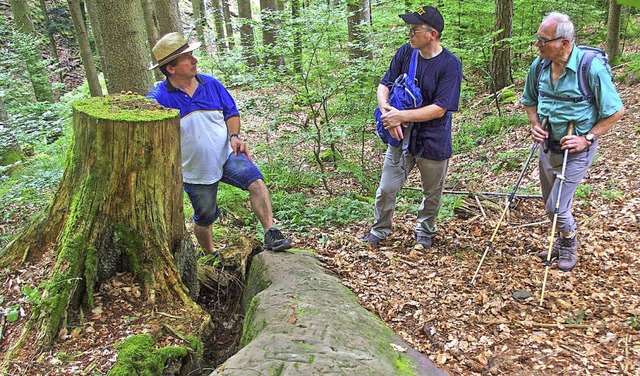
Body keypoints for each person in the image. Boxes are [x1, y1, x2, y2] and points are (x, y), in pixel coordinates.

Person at [147, 32, 292, 255]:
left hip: (227, 155)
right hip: (194, 170)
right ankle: (210, 254)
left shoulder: (211, 85)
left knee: (256, 182)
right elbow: (140, 114)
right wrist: (128, 102)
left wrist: (234, 136)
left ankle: (271, 232)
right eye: (187, 58)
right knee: (205, 217)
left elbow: (231, 113)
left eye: (192, 55)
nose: (194, 60)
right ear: (171, 68)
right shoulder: (159, 98)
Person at [521, 12, 624, 271]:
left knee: (556, 205)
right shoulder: (540, 66)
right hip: (547, 147)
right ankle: (560, 238)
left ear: (564, 43)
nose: (538, 45)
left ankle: (568, 242)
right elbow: (529, 100)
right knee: (550, 205)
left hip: (576, 150)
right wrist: (534, 124)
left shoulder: (591, 68)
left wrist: (587, 138)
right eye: (538, 39)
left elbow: (616, 111)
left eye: (544, 41)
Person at [363, 6, 462, 249]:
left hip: (433, 138)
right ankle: (380, 229)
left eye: (414, 30)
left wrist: (401, 116)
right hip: (400, 136)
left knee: (432, 191)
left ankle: (425, 231)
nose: (409, 34)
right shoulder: (406, 53)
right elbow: (384, 84)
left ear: (432, 34)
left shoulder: (450, 65)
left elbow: (441, 107)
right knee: (387, 188)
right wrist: (388, 112)